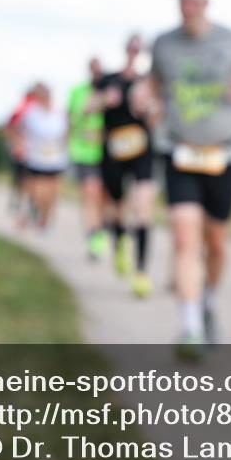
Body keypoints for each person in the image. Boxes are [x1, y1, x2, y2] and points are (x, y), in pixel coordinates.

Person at [141, 0, 231, 359]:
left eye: (196, 0)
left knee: (216, 244)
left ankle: (208, 299)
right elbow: (153, 84)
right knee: (183, 237)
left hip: (225, 152)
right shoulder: (163, 43)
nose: (190, 6)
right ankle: (190, 325)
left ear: (207, 2)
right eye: (184, 0)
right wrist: (144, 99)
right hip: (178, 149)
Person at [91, 35, 159, 297]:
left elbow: (157, 115)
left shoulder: (147, 83)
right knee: (118, 207)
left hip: (141, 151)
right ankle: (119, 241)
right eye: (131, 48)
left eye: (139, 49)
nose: (134, 52)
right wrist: (104, 100)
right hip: (114, 152)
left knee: (143, 208)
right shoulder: (109, 79)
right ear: (125, 49)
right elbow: (87, 108)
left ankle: (141, 273)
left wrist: (150, 108)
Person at [67, 58, 110, 261]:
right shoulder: (78, 91)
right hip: (84, 152)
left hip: (107, 153)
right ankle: (92, 235)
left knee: (104, 196)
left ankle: (100, 228)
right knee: (90, 193)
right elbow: (72, 119)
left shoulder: (111, 92)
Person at [18, 83, 69, 231]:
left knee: (52, 192)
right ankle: (39, 213)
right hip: (37, 158)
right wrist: (21, 145)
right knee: (39, 191)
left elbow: (66, 131)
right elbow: (18, 129)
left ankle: (46, 218)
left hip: (56, 157)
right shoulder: (31, 113)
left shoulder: (59, 112)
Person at [6, 87, 37, 213]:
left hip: (28, 149)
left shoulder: (22, 108)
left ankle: (21, 201)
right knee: (26, 178)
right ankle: (25, 202)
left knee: (21, 178)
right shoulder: (25, 109)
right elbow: (12, 128)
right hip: (26, 149)